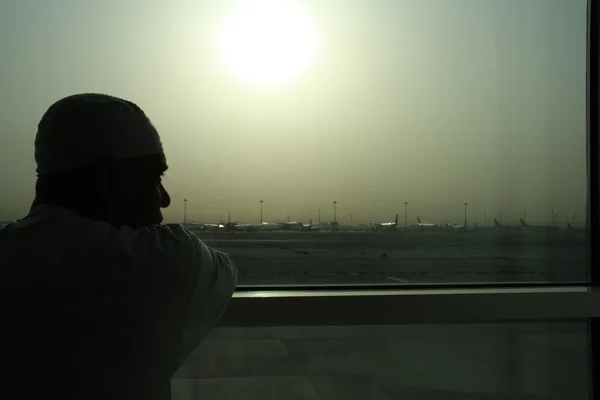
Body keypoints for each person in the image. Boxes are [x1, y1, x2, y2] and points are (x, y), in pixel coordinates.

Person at [0, 93, 238, 399]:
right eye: (153, 178)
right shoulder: (167, 261)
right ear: (106, 179)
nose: (164, 198)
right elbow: (224, 271)